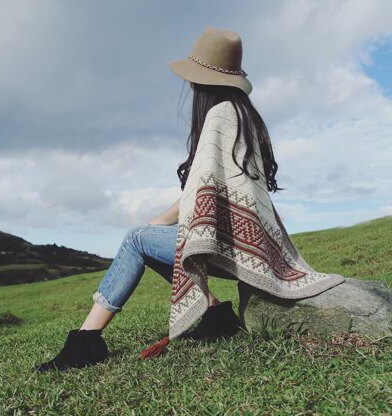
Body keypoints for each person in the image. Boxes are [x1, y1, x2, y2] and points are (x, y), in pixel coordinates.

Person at [35, 26, 279, 372]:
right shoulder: (243, 116)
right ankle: (215, 314)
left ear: (203, 80)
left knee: (137, 239)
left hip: (232, 249)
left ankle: (84, 343)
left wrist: (151, 227)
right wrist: (157, 226)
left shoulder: (220, 117)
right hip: (249, 246)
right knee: (146, 237)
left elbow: (200, 193)